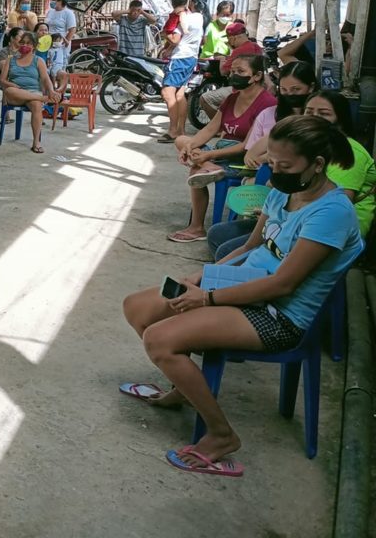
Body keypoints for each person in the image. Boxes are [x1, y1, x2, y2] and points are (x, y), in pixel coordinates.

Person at [121, 115, 363, 474]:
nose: (275, 171)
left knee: (160, 340)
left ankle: (221, 435)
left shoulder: (332, 214)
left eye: (284, 166)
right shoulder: (285, 191)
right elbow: (251, 245)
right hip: (245, 284)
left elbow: (283, 285)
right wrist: (206, 274)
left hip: (279, 315)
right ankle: (184, 389)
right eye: (272, 162)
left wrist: (207, 298)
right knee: (138, 308)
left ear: (316, 164)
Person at [206, 62, 316, 259]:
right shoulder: (274, 117)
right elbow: (252, 153)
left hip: (292, 217)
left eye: (296, 90)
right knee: (218, 236)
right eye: (284, 90)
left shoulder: (319, 142)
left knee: (228, 251)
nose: (289, 95)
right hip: (272, 199)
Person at [167, 54, 276, 243]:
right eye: (232, 71)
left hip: (245, 160)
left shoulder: (266, 104)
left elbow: (246, 147)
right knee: (182, 141)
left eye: (240, 71)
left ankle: (197, 227)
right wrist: (191, 147)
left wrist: (208, 154)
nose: (234, 75)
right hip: (222, 152)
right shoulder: (232, 98)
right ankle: (208, 166)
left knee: (196, 169)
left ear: (257, 76)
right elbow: (210, 128)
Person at [302, 91, 375, 237]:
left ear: (340, 119)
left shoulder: (350, 151)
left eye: (324, 113)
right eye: (309, 112)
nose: (314, 117)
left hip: (339, 231)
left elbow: (335, 206)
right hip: (305, 217)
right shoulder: (311, 145)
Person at [0, 31, 59, 154]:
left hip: (33, 92)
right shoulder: (10, 60)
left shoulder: (38, 61)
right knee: (9, 90)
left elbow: (45, 79)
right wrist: (12, 85)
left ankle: (36, 143)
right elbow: (3, 81)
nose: (25, 45)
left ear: (34, 46)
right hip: (15, 94)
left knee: (36, 105)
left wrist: (52, 91)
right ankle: (43, 99)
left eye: (28, 43)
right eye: (22, 43)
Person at [158, 0, 204, 143]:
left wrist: (165, 33)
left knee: (167, 92)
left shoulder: (182, 18)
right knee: (179, 94)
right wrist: (168, 49)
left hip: (180, 58)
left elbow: (175, 39)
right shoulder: (199, 17)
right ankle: (180, 130)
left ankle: (173, 131)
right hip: (191, 57)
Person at [198, 20, 265, 119]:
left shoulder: (239, 51)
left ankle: (220, 124)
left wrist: (222, 59)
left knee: (205, 98)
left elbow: (223, 72)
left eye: (229, 39)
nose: (228, 42)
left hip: (240, 90)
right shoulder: (256, 47)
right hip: (257, 87)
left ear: (233, 38)